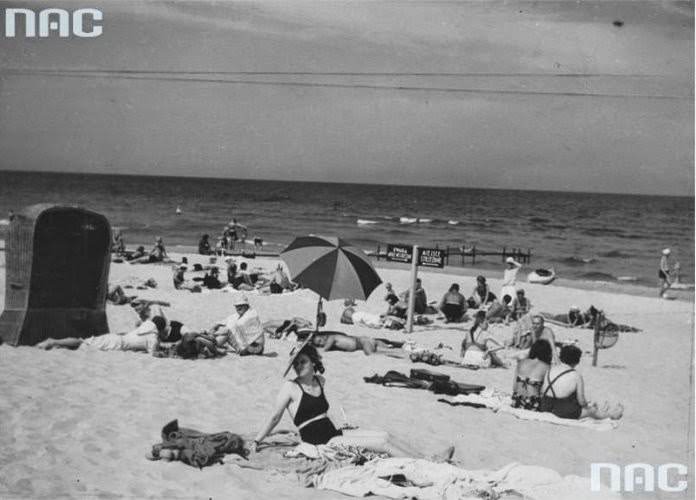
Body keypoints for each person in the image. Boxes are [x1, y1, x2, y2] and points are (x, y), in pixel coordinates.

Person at [252, 344, 455, 459]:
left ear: (313, 362)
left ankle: (428, 457)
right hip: (321, 442)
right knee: (382, 443)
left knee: (386, 434)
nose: (299, 366)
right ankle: (428, 463)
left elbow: (321, 413)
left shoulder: (320, 380)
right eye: (296, 363)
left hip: (334, 433)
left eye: (302, 361)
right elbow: (275, 416)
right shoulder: (290, 387)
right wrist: (257, 441)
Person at [540, 345, 623, 420]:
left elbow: (543, 390)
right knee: (592, 410)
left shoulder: (551, 369)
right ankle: (612, 415)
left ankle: (603, 411)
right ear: (577, 361)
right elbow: (582, 401)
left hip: (545, 406)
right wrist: (588, 407)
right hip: (562, 411)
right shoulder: (576, 375)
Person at [35, 316, 168, 354]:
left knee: (84, 343)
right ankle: (53, 342)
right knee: (82, 343)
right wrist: (161, 352)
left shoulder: (144, 327)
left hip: (115, 338)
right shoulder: (153, 337)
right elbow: (153, 353)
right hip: (117, 344)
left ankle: (56, 344)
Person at [511, 340, 552, 410]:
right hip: (533, 403)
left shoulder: (521, 363)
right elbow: (545, 391)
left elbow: (514, 387)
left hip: (517, 401)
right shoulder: (547, 367)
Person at [297, 330, 403, 355]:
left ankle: (401, 349)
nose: (321, 343)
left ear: (323, 336)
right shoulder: (332, 338)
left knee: (380, 353)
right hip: (363, 341)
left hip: (363, 343)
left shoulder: (331, 338)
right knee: (391, 349)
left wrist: (309, 346)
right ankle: (402, 346)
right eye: (319, 343)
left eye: (320, 341)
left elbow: (324, 349)